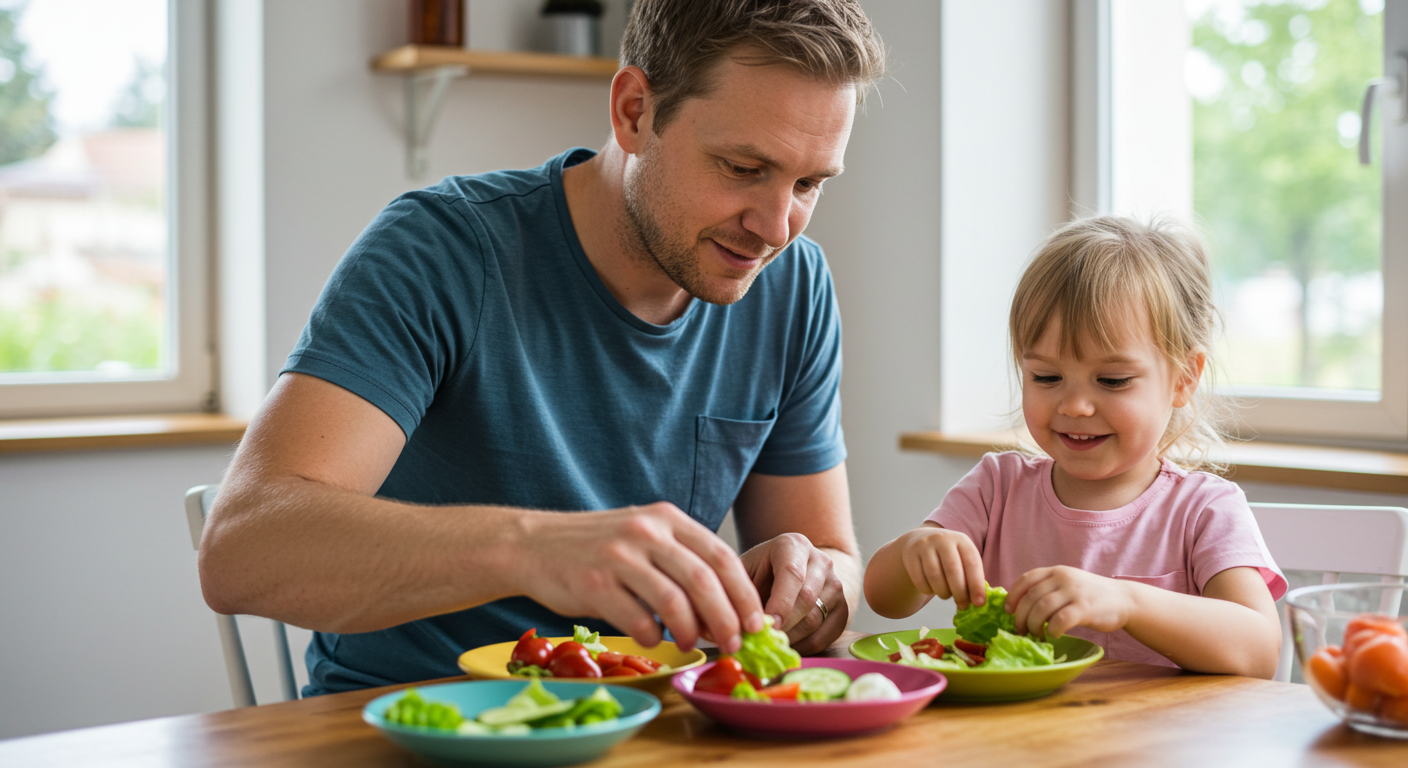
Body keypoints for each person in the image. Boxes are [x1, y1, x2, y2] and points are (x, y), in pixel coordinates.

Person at [198, 0, 887, 696]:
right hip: (410, 723)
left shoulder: (792, 287)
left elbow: (833, 558)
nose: (775, 227)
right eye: (742, 167)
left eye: (808, 185)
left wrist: (816, 584)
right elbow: (239, 551)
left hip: (651, 724)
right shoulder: (442, 252)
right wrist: (528, 548)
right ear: (634, 111)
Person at [864, 216, 1286, 677]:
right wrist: (914, 551)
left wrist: (1127, 601)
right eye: (1046, 377)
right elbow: (885, 600)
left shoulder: (1204, 510)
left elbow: (1260, 652)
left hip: (1159, 744)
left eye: (1112, 380)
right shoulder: (996, 488)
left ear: (1183, 379)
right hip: (1012, 741)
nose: (1076, 406)